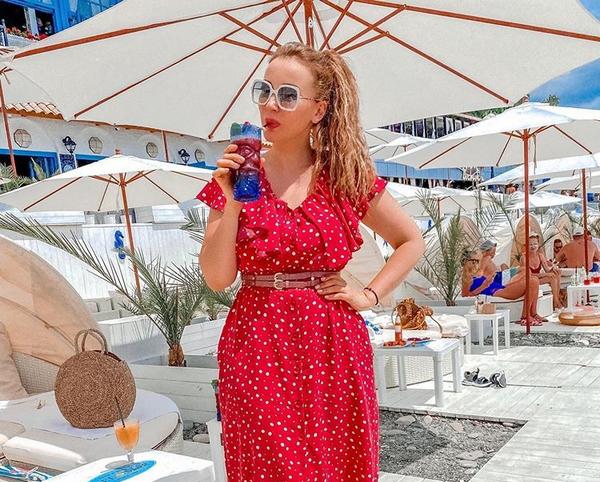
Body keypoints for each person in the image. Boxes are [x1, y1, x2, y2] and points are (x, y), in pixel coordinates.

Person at [198, 43, 424, 481]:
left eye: (287, 95)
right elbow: (218, 278)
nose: (270, 104)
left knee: (337, 462)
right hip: (258, 342)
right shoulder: (233, 179)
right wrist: (232, 199)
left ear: (318, 109)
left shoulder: (345, 176)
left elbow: (410, 240)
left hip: (332, 341)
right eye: (264, 90)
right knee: (269, 465)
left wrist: (369, 295)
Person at [462, 242, 543, 326]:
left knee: (534, 279)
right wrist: (484, 285)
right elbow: (466, 295)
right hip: (495, 291)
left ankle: (533, 314)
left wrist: (489, 279)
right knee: (532, 281)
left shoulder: (477, 270)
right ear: (468, 261)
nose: (477, 261)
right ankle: (525, 316)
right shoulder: (467, 277)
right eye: (475, 260)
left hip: (499, 286)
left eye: (477, 260)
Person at [522, 233, 562, 309]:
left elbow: (547, 270)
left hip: (537, 278)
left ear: (538, 245)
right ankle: (556, 302)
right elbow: (527, 275)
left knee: (556, 274)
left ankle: (556, 300)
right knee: (552, 277)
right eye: (530, 244)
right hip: (529, 280)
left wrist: (553, 269)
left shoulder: (540, 256)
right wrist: (546, 274)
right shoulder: (524, 257)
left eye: (535, 244)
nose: (533, 246)